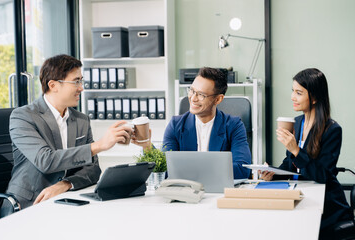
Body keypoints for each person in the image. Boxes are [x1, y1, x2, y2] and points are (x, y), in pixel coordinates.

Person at [0, 54, 133, 217]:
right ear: (53, 85)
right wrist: (99, 145)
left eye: (81, 81)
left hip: (65, 202)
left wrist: (66, 184)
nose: (81, 88)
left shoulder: (81, 120)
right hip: (27, 206)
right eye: (76, 81)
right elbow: (45, 160)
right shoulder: (23, 117)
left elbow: (93, 170)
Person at [260, 68, 354, 238]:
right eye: (292, 91)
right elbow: (290, 165)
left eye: (299, 93)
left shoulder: (332, 130)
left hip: (327, 207)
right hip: (302, 197)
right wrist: (272, 173)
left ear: (315, 98)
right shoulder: (296, 123)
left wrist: (296, 149)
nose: (292, 97)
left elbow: (322, 175)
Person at [133, 67, 251, 179]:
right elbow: (165, 168)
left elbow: (242, 169)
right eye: (192, 90)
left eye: (201, 95)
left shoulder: (234, 126)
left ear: (218, 99)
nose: (193, 98)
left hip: (219, 194)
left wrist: (189, 169)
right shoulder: (175, 125)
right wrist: (147, 146)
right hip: (185, 192)